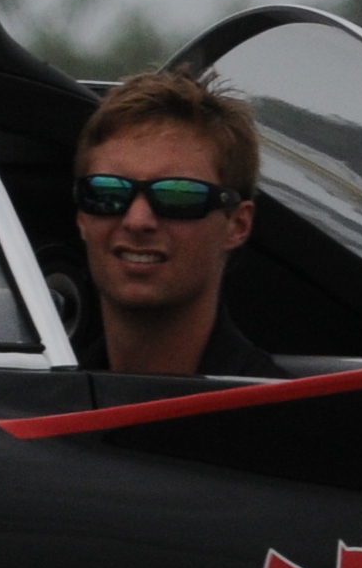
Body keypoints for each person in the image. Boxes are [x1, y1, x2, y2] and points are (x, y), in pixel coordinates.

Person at [73, 68, 278, 378]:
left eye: (177, 195)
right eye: (108, 192)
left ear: (237, 225)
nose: (137, 221)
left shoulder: (284, 405)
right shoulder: (44, 403)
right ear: (82, 217)